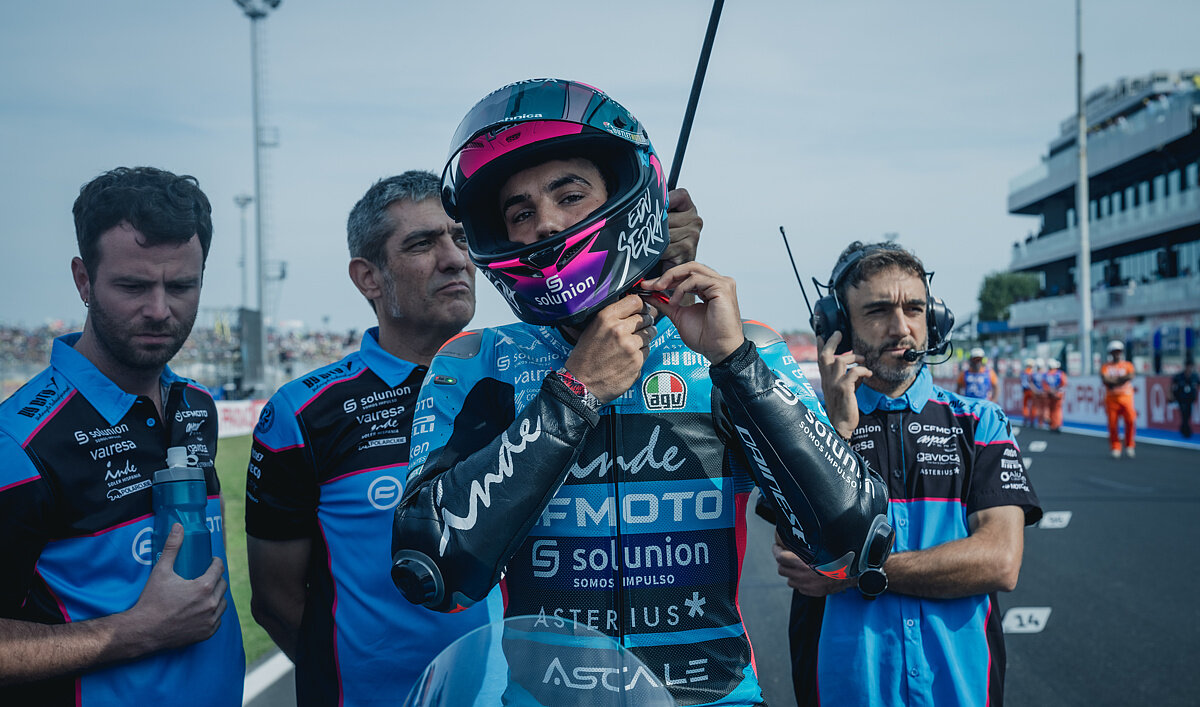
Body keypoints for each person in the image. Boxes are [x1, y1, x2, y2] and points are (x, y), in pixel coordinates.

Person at [389, 78, 892, 707]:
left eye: (570, 194)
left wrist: (735, 363)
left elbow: (854, 542)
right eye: (520, 212)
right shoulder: (475, 364)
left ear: (631, 198)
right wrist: (574, 393)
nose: (547, 222)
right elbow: (431, 568)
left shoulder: (736, 345)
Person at [244, 168, 704, 706]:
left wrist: (639, 256)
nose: (454, 259)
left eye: (462, 239)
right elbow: (276, 601)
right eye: (422, 244)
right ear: (368, 277)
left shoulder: (556, 369)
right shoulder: (304, 412)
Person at [0, 167, 243, 705]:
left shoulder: (196, 406)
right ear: (83, 280)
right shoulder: (18, 446)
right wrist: (136, 631)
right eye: (133, 286)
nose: (159, 310)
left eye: (181, 286)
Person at [773, 241, 1042, 707]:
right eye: (878, 311)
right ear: (838, 326)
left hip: (961, 691)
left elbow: (999, 560)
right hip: (844, 690)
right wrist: (835, 431)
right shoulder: (803, 426)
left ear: (933, 319)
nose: (902, 328)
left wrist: (858, 573)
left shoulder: (981, 422)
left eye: (915, 309)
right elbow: (797, 557)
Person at [1101, 340, 1137, 458]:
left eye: (1119, 351)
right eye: (1114, 352)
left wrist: (1114, 381)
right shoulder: (1106, 367)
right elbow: (1105, 379)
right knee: (1112, 425)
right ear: (1111, 353)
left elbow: (1130, 376)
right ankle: (1115, 447)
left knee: (1130, 421)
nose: (1117, 354)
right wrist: (1121, 379)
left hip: (1126, 399)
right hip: (1111, 400)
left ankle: (1129, 445)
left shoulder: (1128, 365)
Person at [1168, 359, 1198, 439]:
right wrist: (1171, 395)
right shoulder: (1179, 376)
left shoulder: (1194, 376)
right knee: (1184, 413)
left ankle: (1183, 429)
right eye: (1188, 366)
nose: (1189, 368)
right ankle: (1186, 431)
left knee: (1188, 414)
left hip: (1190, 399)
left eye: (1190, 366)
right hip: (1181, 398)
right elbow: (1172, 385)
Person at [1042, 358, 1067, 432]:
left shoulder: (1046, 374)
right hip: (1058, 394)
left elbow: (1044, 385)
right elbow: (1064, 384)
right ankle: (1057, 424)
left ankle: (1052, 425)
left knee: (1051, 409)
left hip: (1050, 394)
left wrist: (1050, 391)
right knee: (1057, 410)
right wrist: (1057, 392)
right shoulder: (1060, 373)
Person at [1020, 358, 1037, 427]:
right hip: (1031, 390)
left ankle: (1026, 417)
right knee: (1033, 405)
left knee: (1025, 405)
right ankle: (1032, 420)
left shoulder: (1023, 372)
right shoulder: (1032, 373)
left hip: (1025, 390)